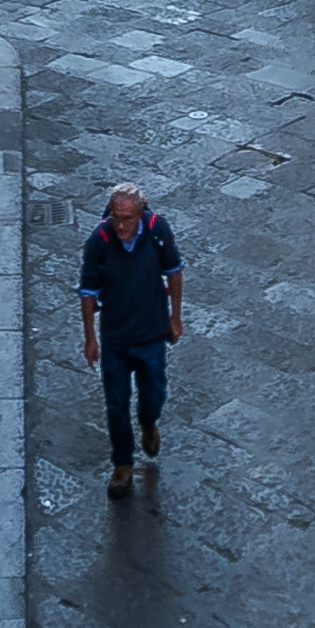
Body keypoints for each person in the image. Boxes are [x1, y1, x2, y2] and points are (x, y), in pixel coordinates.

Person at [75, 182, 184, 499]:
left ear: (140, 213)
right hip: (116, 339)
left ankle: (149, 422)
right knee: (115, 405)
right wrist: (89, 338)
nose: (121, 225)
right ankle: (122, 466)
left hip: (151, 333)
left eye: (127, 219)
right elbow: (87, 291)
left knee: (154, 393)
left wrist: (175, 318)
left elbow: (174, 272)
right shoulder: (98, 241)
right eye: (116, 218)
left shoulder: (156, 229)